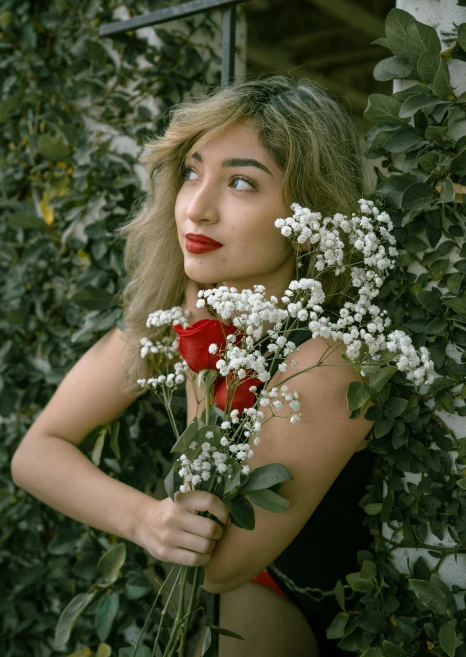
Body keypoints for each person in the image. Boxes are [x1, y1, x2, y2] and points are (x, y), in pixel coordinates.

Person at [11, 75, 375, 657]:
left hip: (322, 607)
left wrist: (202, 353)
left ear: (311, 211)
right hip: (250, 590)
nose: (196, 209)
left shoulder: (327, 367)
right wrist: (145, 519)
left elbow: (217, 566)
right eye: (191, 172)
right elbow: (36, 452)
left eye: (240, 182)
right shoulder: (175, 312)